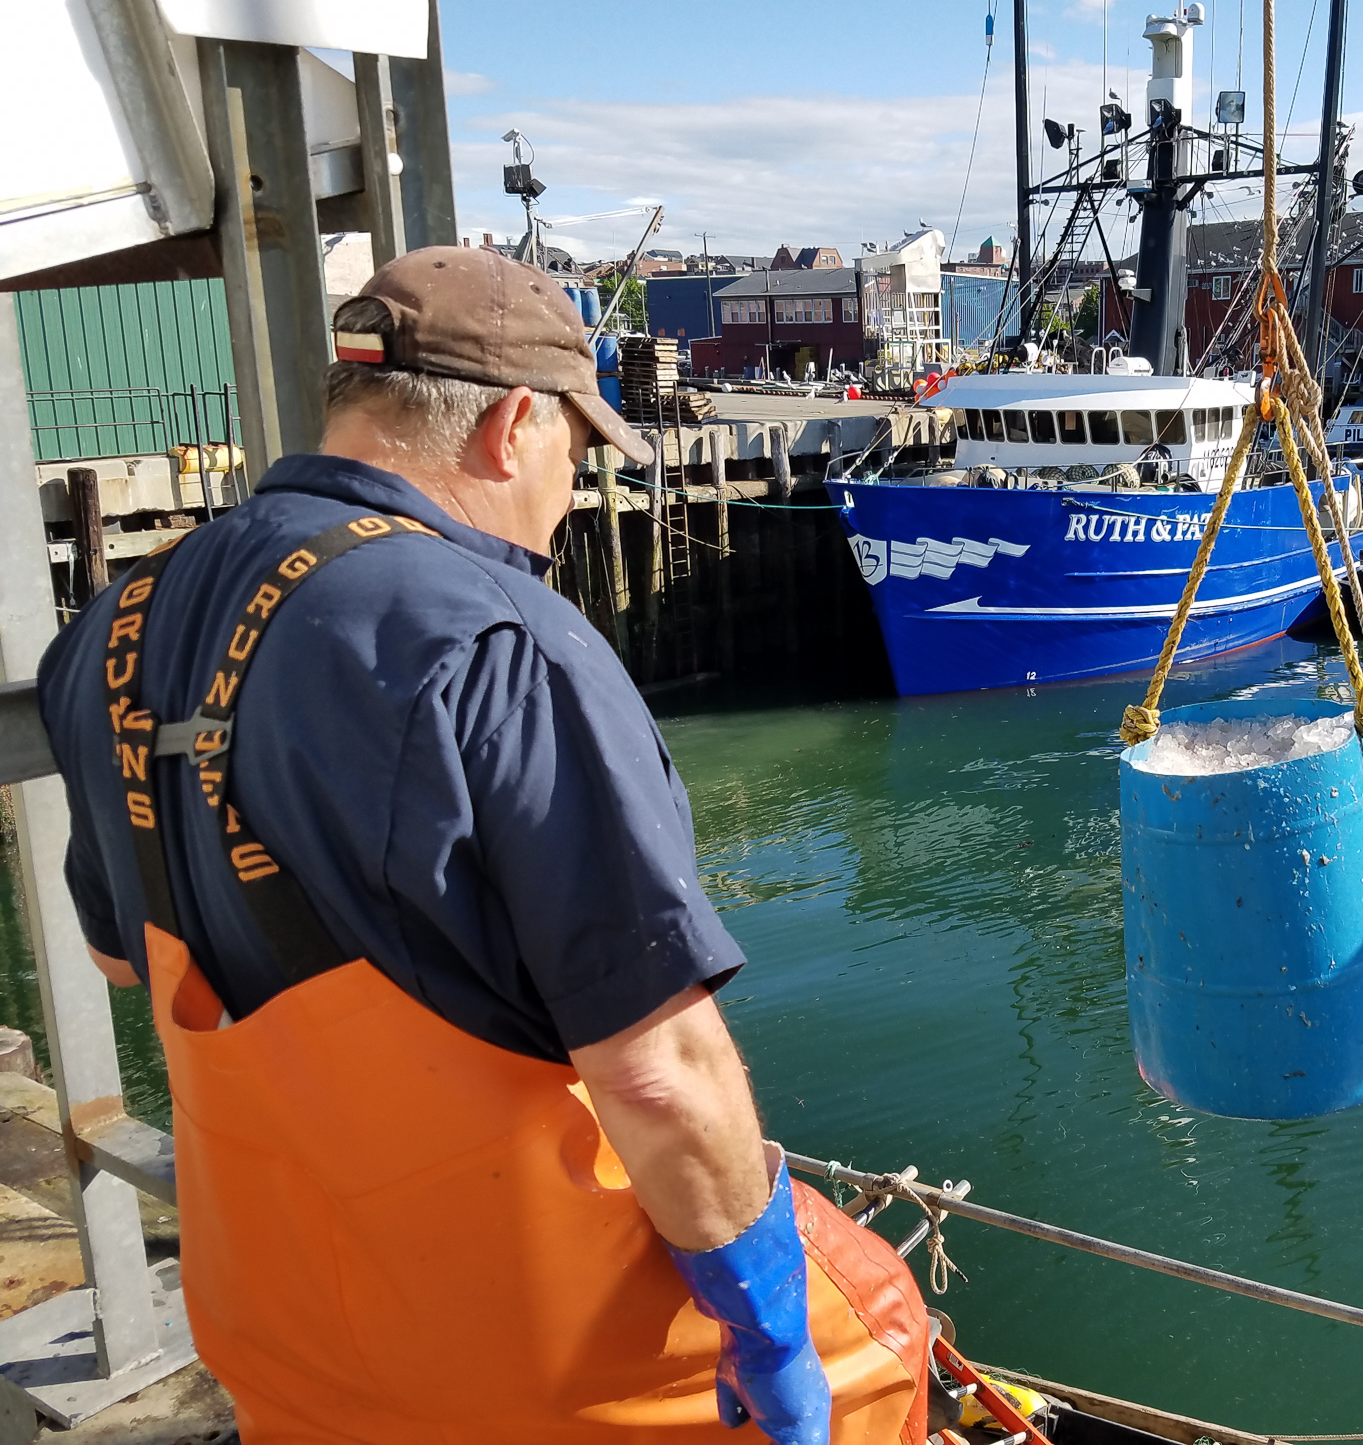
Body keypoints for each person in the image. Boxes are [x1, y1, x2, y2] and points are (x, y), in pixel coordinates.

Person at [38, 247, 927, 1442]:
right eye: (574, 454)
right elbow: (658, 1073)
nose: (567, 499)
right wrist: (764, 1320)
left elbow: (119, 958)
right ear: (513, 425)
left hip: (278, 1330)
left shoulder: (112, 620)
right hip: (525, 1368)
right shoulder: (503, 642)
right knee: (878, 1326)